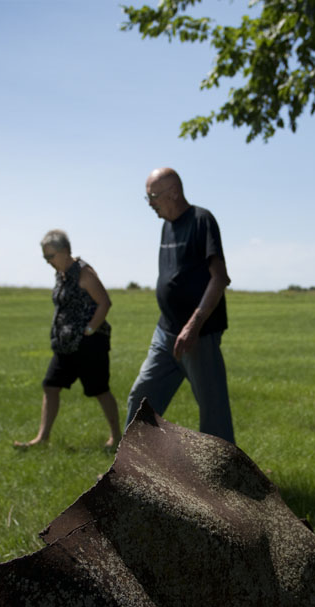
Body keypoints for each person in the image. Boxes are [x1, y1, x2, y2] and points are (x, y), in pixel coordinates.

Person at [125, 167, 235, 443]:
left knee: (213, 412)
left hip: (199, 335)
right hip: (166, 333)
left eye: (153, 196)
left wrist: (193, 325)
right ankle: (130, 472)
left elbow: (219, 278)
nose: (150, 203)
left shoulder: (201, 220)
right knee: (142, 399)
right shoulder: (166, 225)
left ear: (173, 192)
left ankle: (226, 480)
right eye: (147, 197)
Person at [15, 229, 121, 450]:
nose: (48, 262)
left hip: (90, 345)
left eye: (50, 256)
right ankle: (41, 439)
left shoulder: (84, 273)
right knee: (50, 385)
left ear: (64, 251)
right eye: (45, 257)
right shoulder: (61, 273)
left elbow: (105, 303)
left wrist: (90, 329)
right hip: (65, 345)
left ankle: (116, 438)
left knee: (99, 390)